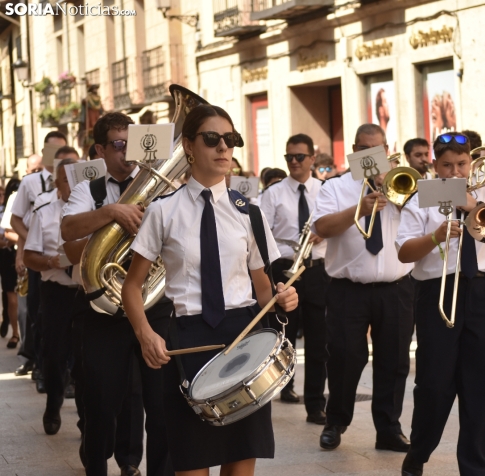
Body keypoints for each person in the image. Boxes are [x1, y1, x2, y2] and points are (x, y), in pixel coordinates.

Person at [121, 104, 298, 475]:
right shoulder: (162, 211)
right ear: (188, 145)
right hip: (188, 339)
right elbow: (132, 287)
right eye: (212, 139)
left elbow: (263, 288)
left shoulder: (249, 212)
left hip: (244, 337)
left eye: (230, 140)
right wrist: (145, 334)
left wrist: (283, 300)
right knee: (191, 462)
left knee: (240, 460)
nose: (223, 148)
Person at [61, 112, 173, 476]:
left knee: (158, 405)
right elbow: (68, 232)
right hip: (101, 310)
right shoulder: (89, 191)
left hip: (152, 306)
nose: (127, 153)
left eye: (133, 144)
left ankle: (145, 466)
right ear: (100, 149)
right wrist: (111, 212)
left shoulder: (164, 188)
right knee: (100, 402)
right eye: (118, 145)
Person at [396, 132, 485, 476]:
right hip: (437, 292)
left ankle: (475, 468)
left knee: (479, 387)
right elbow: (403, 252)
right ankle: (419, 450)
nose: (456, 172)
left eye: (462, 164)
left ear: (471, 164)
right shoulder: (421, 198)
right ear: (435, 166)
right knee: (434, 383)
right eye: (447, 165)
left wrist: (475, 209)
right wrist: (434, 236)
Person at [313, 124, 414, 452]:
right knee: (343, 355)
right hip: (348, 289)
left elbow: (423, 220)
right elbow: (322, 228)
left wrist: (397, 192)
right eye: (364, 150)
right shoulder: (336, 188)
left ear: (387, 151)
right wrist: (360, 208)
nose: (372, 157)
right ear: (354, 152)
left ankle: (388, 428)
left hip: (395, 287)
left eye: (378, 150)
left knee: (395, 359)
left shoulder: (403, 182)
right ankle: (336, 421)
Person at [260, 133, 329, 422]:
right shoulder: (273, 193)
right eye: (289, 157)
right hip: (285, 271)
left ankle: (315, 405)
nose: (294, 162)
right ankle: (281, 388)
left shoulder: (326, 190)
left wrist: (323, 232)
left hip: (318, 270)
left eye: (300, 157)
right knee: (283, 336)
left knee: (318, 341)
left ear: (312, 159)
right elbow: (262, 237)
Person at [23, 157, 77, 435]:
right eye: (68, 179)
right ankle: (54, 402)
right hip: (56, 292)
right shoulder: (44, 213)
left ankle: (86, 418)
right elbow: (29, 256)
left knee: (88, 358)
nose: (75, 184)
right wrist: (50, 262)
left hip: (87, 292)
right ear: (57, 184)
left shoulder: (97, 211)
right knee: (55, 355)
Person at [11, 131, 67, 379]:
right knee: (37, 314)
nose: (56, 156)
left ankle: (63, 373)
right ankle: (42, 367)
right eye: (53, 151)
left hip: (67, 263)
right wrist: (31, 243)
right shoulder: (31, 183)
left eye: (61, 151)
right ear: (45, 151)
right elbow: (15, 219)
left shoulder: (73, 181)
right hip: (40, 259)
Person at [0, 179, 21, 349]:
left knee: (16, 296)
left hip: (15, 253)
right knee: (9, 296)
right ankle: (11, 325)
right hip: (6, 256)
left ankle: (16, 331)